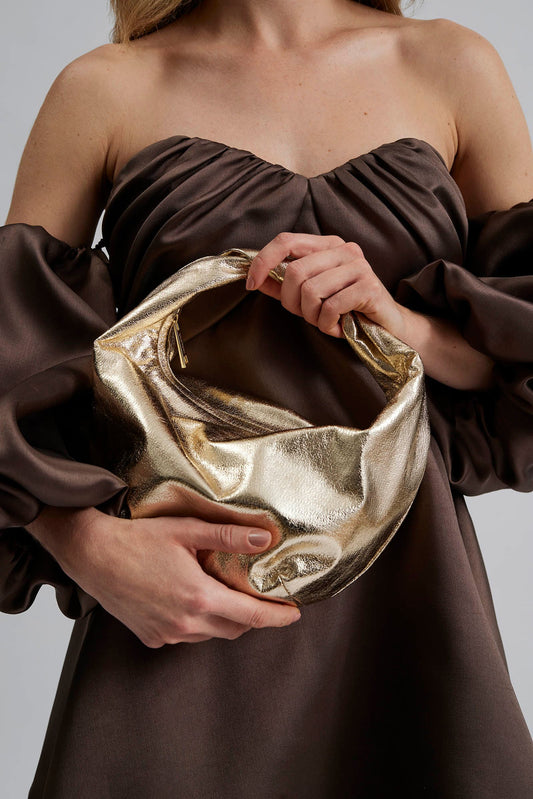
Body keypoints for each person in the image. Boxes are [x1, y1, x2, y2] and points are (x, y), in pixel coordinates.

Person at [1, 0, 533, 796]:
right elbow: (11, 373)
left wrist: (401, 327)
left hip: (407, 601)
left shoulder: (451, 65)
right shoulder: (104, 88)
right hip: (180, 610)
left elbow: (518, 352)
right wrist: (89, 548)